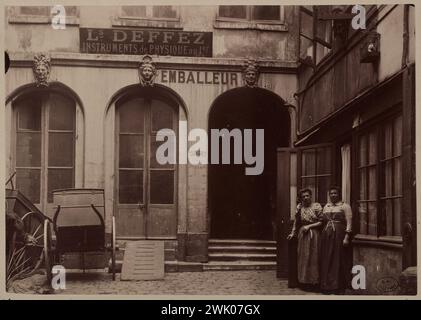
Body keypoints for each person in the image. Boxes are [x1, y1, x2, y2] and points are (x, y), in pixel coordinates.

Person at [287, 188, 323, 290]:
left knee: (314, 257)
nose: (306, 198)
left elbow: (321, 222)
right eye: (303, 197)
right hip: (303, 235)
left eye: (307, 196)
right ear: (301, 198)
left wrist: (309, 227)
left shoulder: (316, 206)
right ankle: (304, 282)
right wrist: (293, 233)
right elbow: (296, 222)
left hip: (314, 234)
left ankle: (314, 282)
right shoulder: (300, 207)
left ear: (311, 196)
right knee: (303, 257)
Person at [320, 186, 353, 294]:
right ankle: (327, 285)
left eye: (335, 193)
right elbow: (323, 221)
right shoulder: (326, 206)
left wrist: (346, 237)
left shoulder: (345, 206)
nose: (333, 195)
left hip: (339, 235)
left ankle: (338, 286)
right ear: (329, 195)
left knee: (338, 258)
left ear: (339, 194)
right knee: (327, 258)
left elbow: (349, 223)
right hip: (327, 235)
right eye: (331, 193)